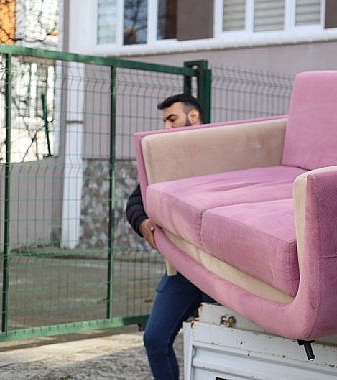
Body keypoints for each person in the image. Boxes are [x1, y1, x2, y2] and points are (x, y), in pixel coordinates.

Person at [126, 93, 214, 380]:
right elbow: (136, 201)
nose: (166, 128)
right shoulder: (161, 159)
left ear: (193, 116)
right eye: (164, 121)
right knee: (155, 338)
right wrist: (142, 222)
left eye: (171, 119)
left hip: (218, 272)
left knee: (218, 346)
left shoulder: (223, 150)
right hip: (180, 272)